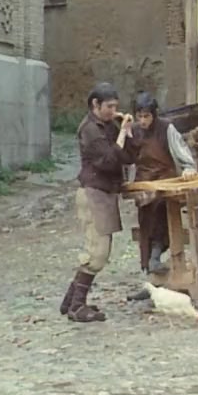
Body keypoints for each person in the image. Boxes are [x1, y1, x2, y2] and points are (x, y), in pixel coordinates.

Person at [61, 83, 135, 323]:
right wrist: (121, 136)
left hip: (106, 194)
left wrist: (128, 132)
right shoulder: (90, 130)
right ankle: (77, 306)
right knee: (97, 253)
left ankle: (70, 302)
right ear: (95, 104)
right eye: (109, 106)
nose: (113, 111)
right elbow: (109, 161)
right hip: (93, 194)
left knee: (99, 250)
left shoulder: (109, 125)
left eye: (116, 106)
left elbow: (127, 157)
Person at [130, 93, 198, 275]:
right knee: (146, 220)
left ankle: (156, 255)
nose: (143, 121)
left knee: (161, 212)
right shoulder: (134, 130)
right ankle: (150, 263)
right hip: (144, 181)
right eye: (139, 116)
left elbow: (181, 150)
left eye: (146, 116)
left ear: (154, 114)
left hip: (165, 178)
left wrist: (188, 167)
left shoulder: (166, 128)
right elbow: (126, 156)